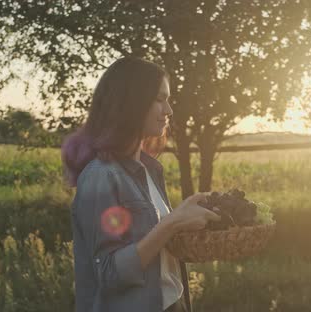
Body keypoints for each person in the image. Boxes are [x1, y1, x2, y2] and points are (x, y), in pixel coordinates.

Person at [61, 57, 221, 312]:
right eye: (159, 99)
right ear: (130, 103)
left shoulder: (149, 171)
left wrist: (186, 228)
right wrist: (172, 223)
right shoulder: (101, 177)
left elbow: (154, 251)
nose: (168, 110)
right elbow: (109, 274)